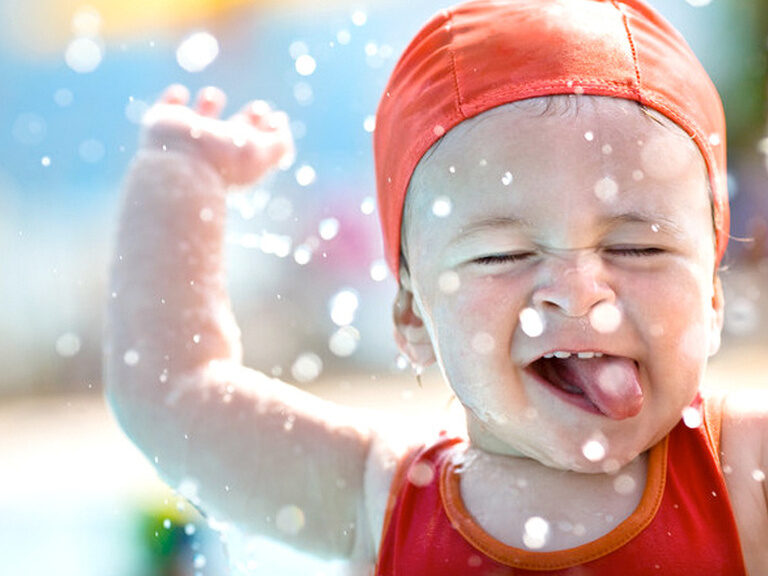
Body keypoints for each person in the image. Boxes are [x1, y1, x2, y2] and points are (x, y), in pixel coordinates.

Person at [105, 0, 768, 573]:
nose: (577, 290)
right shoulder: (377, 496)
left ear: (711, 296)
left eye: (637, 247)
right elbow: (172, 396)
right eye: (502, 255)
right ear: (413, 316)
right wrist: (176, 180)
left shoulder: (745, 471)